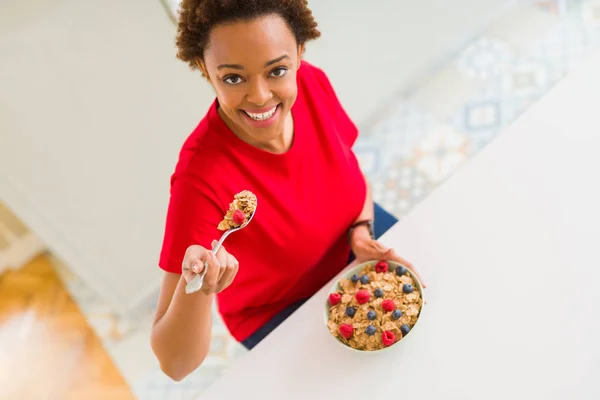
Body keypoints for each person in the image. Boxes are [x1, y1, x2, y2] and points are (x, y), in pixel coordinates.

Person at [150, 0, 424, 381]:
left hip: (357, 245)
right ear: (203, 69)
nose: (261, 96)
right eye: (233, 78)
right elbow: (175, 364)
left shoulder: (311, 83)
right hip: (280, 311)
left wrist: (361, 228)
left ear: (299, 53)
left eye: (277, 70)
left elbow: (349, 170)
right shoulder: (200, 180)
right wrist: (199, 285)